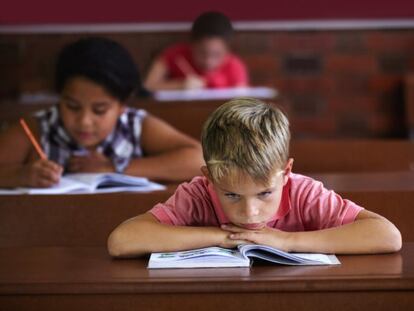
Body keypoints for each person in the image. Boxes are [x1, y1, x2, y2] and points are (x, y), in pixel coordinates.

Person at [107, 98, 402, 257]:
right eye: (232, 195)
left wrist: (286, 242)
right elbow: (122, 241)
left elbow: (387, 235)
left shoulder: (303, 192)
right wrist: (225, 238)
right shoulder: (198, 194)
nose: (249, 213)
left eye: (264, 194)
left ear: (285, 173)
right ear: (208, 177)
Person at [0, 37, 204, 188]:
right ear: (60, 97)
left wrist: (113, 167)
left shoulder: (135, 125)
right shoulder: (37, 126)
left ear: (122, 106)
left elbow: (200, 160)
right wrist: (20, 175)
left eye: (99, 110)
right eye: (72, 106)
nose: (84, 121)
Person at [145, 11, 248, 91]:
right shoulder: (174, 55)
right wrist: (180, 85)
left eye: (217, 54)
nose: (208, 61)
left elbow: (242, 97)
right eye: (202, 53)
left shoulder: (234, 65)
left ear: (227, 50)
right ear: (192, 45)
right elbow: (147, 86)